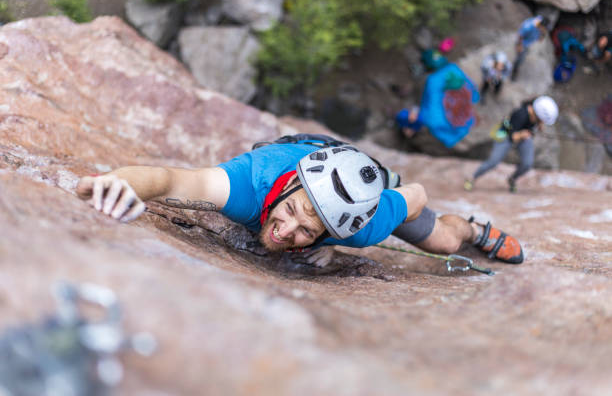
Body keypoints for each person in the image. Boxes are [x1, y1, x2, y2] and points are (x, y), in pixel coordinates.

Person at [76, 135, 526, 268]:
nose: (285, 232)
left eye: (308, 232)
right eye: (292, 213)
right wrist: (118, 184)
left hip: (369, 184)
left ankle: (477, 229)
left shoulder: (365, 226)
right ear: (286, 189)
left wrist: (385, 186)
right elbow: (169, 179)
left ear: (334, 231)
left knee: (446, 242)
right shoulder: (248, 185)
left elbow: (416, 196)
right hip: (302, 151)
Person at [464, 96, 558, 193]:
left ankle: (512, 179)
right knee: (493, 161)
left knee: (527, 163)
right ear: (538, 115)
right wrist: (522, 134)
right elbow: (512, 136)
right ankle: (472, 178)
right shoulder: (520, 115)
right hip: (507, 135)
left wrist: (536, 127)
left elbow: (533, 125)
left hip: (523, 136)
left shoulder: (535, 115)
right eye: (542, 120)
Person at [511, 15, 551, 81]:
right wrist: (519, 46)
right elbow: (520, 36)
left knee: (525, 52)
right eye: (544, 28)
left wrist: (542, 35)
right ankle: (515, 69)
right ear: (541, 26)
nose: (545, 30)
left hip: (530, 40)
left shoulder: (541, 21)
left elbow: (545, 31)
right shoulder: (528, 27)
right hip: (523, 43)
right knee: (520, 57)